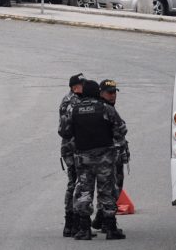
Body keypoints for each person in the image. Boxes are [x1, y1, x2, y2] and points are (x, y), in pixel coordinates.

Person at [70, 80, 128, 240]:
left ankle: (84, 229)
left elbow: (66, 131)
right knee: (106, 190)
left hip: (83, 158)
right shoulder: (106, 109)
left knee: (84, 191)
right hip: (104, 157)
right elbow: (121, 129)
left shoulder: (75, 109)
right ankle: (110, 228)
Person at [95, 79, 129, 232]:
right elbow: (121, 129)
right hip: (112, 154)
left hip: (110, 154)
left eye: (114, 92)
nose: (113, 95)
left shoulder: (104, 107)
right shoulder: (107, 109)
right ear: (101, 93)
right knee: (113, 187)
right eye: (109, 93)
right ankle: (104, 218)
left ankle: (102, 217)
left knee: (108, 187)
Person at [58, 73, 85, 237]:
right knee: (75, 183)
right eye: (82, 85)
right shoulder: (71, 101)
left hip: (75, 147)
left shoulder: (75, 99)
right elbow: (65, 130)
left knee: (77, 182)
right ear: (75, 87)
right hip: (72, 148)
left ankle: (73, 222)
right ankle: (71, 221)